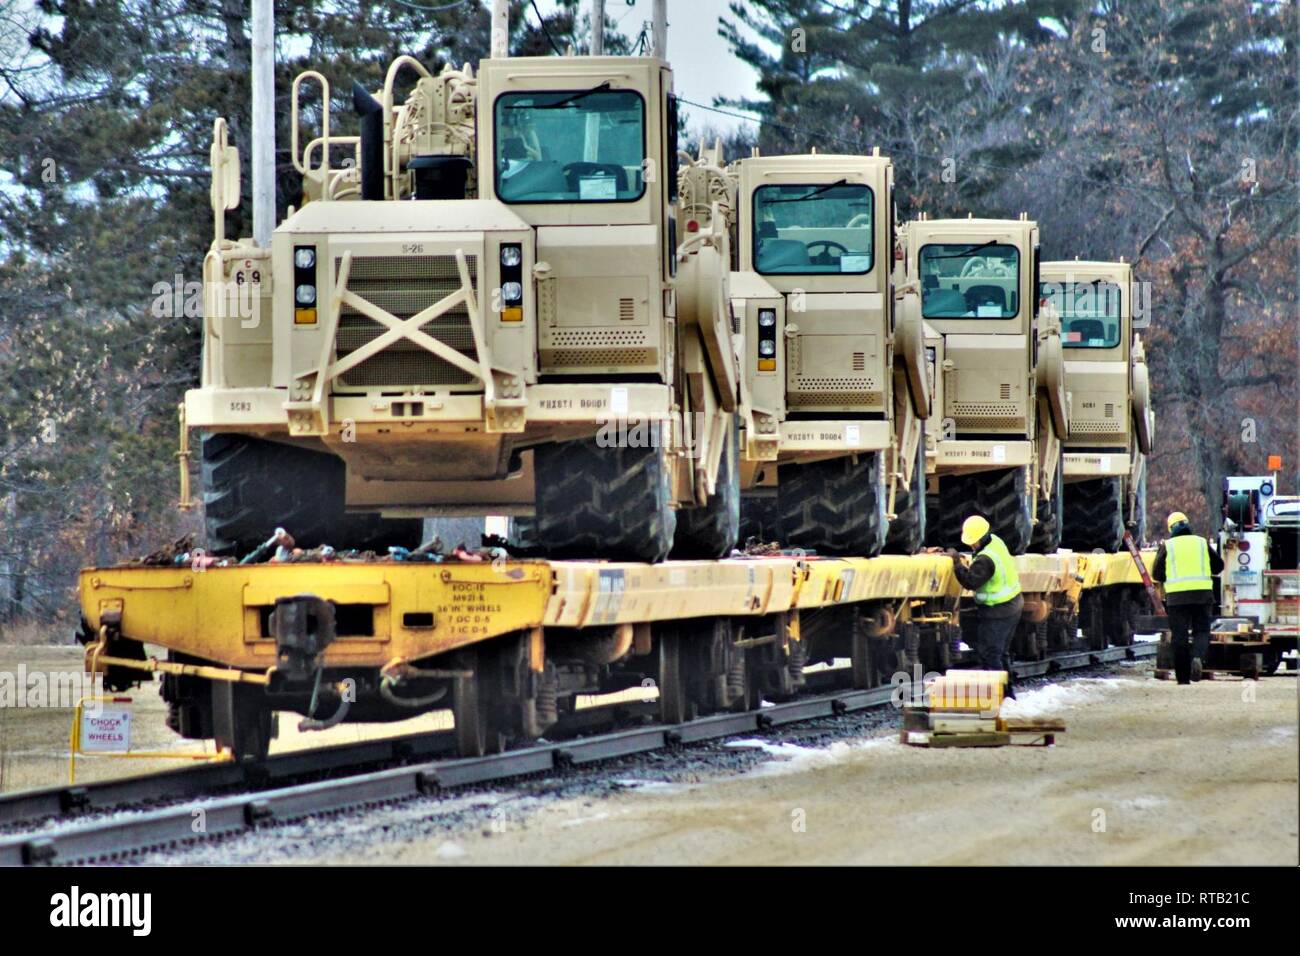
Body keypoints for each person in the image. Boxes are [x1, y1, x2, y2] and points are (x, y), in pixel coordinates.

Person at [946, 515, 1024, 699]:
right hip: (1012, 604)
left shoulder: (985, 559)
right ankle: (1007, 692)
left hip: (999, 610)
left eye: (973, 542)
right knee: (1000, 652)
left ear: (980, 538)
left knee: (990, 653)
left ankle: (1000, 695)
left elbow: (970, 581)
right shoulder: (995, 542)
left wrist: (957, 562)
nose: (971, 546)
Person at [1152, 511, 1223, 684]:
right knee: (1202, 631)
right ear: (1187, 524)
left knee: (1179, 636)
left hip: (1177, 598)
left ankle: (1183, 678)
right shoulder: (1201, 543)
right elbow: (1219, 566)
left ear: (1171, 528)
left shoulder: (1167, 546)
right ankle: (1197, 657)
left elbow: (1157, 574)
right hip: (1202, 595)